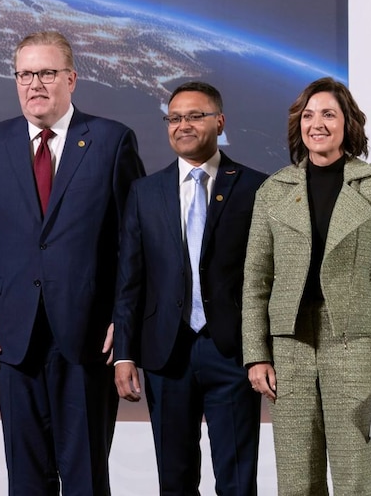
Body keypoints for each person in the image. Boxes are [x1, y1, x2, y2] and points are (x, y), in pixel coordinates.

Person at [0, 30, 146, 495]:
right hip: (12, 336)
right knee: (25, 478)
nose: (34, 84)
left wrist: (123, 325)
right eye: (24, 74)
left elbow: (132, 245)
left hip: (87, 337)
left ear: (71, 78)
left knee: (84, 477)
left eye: (46, 73)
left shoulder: (110, 141)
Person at [242, 77, 371, 495]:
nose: (317, 124)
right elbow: (255, 281)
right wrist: (256, 355)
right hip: (290, 348)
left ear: (347, 122)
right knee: (297, 480)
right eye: (308, 115)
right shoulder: (273, 191)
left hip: (355, 347)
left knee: (354, 479)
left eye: (328, 114)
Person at [113, 81, 265, 495]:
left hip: (231, 351)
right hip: (167, 353)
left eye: (195, 116)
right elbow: (130, 280)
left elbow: (265, 278)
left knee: (237, 481)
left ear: (219, 121)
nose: (183, 125)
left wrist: (262, 351)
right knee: (175, 481)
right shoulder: (145, 192)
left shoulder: (255, 187)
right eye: (175, 117)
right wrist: (124, 353)